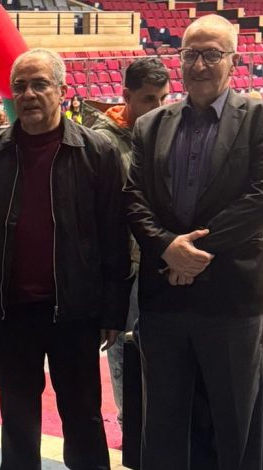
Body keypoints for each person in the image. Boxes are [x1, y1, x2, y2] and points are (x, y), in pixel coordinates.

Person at [0, 48, 131, 470]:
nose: (29, 94)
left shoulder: (97, 153)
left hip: (76, 312)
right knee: (17, 420)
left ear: (63, 90)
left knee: (84, 417)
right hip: (9, 314)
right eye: (20, 86)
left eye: (40, 84)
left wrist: (113, 310)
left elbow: (114, 237)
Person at [123, 15, 263, 469]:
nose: (199, 64)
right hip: (164, 301)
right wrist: (167, 247)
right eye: (190, 54)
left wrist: (194, 254)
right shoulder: (151, 125)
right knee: (162, 429)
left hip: (232, 301)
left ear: (234, 60)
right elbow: (133, 197)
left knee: (237, 430)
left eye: (212, 54)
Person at [84, 56, 170, 430]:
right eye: (149, 99)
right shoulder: (101, 144)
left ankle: (155, 423)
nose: (159, 107)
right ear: (126, 96)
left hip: (161, 259)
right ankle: (130, 422)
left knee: (161, 347)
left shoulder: (166, 134)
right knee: (124, 348)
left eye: (164, 98)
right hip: (123, 267)